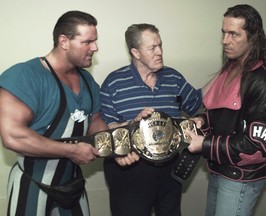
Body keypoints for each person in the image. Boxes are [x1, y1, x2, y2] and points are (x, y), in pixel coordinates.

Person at [0, 11, 108, 216]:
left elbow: (95, 123)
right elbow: (13, 136)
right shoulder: (24, 76)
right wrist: (72, 151)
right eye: (87, 41)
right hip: (32, 182)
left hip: (73, 187)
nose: (95, 47)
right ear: (64, 41)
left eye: (95, 41)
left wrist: (121, 135)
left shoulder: (88, 81)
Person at [186, 4, 266, 216]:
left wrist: (204, 144)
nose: (225, 41)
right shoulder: (232, 67)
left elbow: (260, 145)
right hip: (219, 169)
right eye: (224, 33)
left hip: (241, 179)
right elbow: (227, 113)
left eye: (234, 34)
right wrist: (203, 121)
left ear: (253, 37)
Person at [100, 23, 203, 216]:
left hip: (170, 169)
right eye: (152, 48)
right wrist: (134, 126)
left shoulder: (174, 77)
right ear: (136, 52)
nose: (159, 52)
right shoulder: (113, 83)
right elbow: (104, 131)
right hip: (130, 170)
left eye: (160, 45)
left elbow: (197, 104)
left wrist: (200, 120)